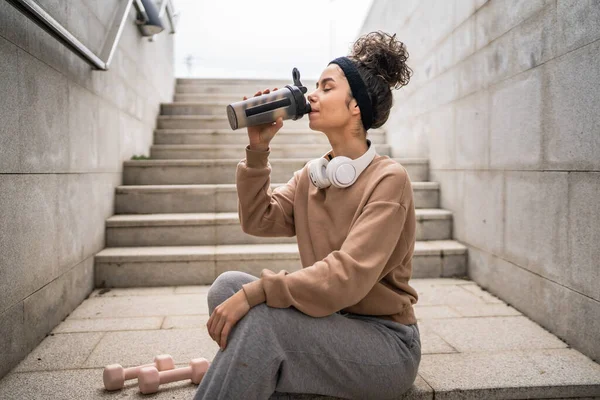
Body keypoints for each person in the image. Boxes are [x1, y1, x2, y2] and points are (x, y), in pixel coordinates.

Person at [193, 31, 420, 400]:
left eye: (326, 87)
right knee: (226, 288)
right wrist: (258, 148)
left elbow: (347, 276)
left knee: (260, 318)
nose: (311, 95)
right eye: (314, 86)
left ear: (355, 107)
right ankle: (261, 369)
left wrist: (259, 293)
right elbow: (258, 219)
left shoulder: (388, 179)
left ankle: (255, 368)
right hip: (330, 325)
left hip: (385, 346)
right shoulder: (314, 176)